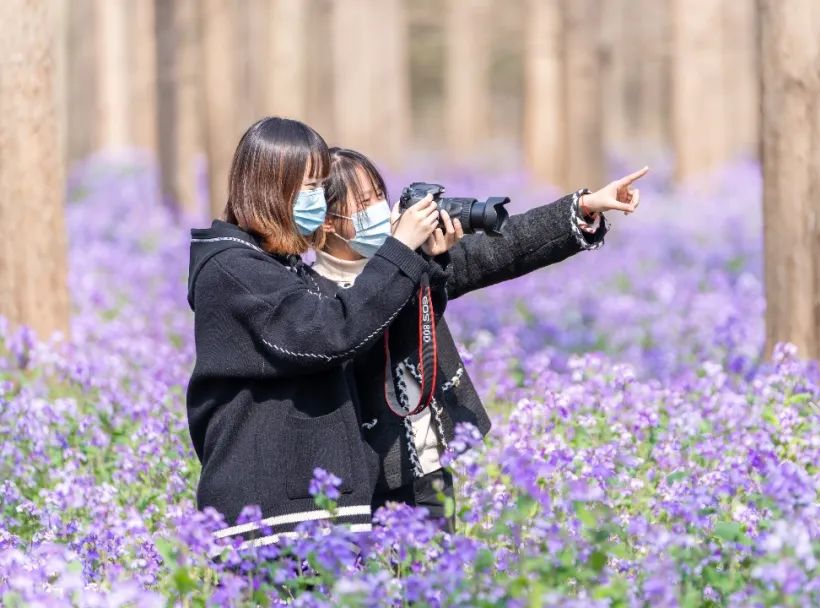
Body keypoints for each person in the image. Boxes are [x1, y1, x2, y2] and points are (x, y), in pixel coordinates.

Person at [310, 146, 647, 532]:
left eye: (378, 197)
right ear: (328, 221)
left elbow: (506, 247)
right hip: (364, 487)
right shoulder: (313, 297)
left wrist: (584, 206)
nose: (378, 211)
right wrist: (399, 254)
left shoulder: (410, 264)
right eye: (363, 204)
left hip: (429, 471)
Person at [184, 118, 445, 548]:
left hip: (307, 518)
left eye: (321, 187)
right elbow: (331, 332)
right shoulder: (234, 270)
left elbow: (351, 328)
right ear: (271, 186)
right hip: (271, 528)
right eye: (309, 187)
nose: (319, 200)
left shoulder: (274, 267)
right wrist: (398, 251)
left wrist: (427, 266)